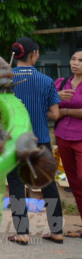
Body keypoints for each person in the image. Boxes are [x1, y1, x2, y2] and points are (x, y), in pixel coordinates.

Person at [6, 37, 64, 245]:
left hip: (15, 140)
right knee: (48, 184)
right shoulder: (46, 81)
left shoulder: (6, 79)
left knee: (16, 183)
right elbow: (55, 114)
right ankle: (57, 231)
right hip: (41, 139)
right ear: (35, 54)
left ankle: (22, 233)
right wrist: (38, 111)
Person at [54, 47, 82, 238]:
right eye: (73, 59)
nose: (75, 63)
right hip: (62, 136)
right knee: (74, 183)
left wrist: (64, 111)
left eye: (80, 61)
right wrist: (57, 99)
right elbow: (49, 106)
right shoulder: (61, 82)